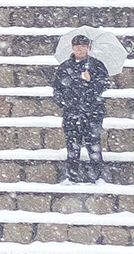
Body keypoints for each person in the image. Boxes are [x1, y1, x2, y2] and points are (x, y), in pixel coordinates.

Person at [48, 33, 112, 184]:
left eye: (83, 46)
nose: (80, 49)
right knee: (72, 146)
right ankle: (72, 176)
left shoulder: (96, 65)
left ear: (88, 48)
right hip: (71, 113)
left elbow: (105, 86)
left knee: (93, 145)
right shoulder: (65, 67)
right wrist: (64, 103)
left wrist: (91, 81)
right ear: (72, 48)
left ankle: (96, 176)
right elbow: (57, 89)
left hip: (92, 113)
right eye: (77, 46)